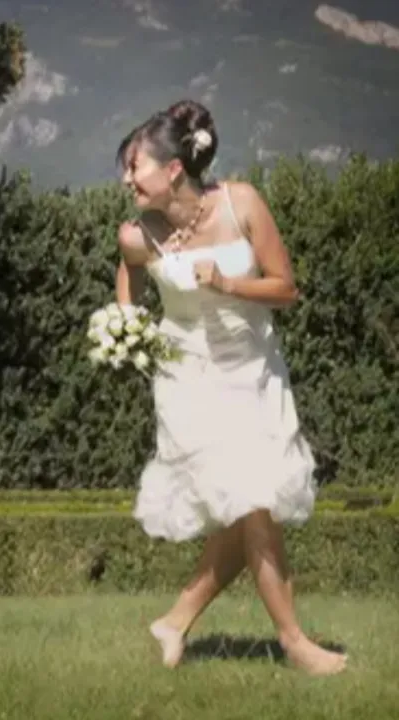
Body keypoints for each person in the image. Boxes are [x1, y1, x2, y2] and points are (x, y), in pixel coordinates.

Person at [113, 100, 347, 676]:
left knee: (247, 510)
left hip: (254, 372)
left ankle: (175, 622)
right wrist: (127, 326)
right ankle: (294, 642)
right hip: (189, 382)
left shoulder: (242, 203)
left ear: (173, 169)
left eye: (134, 166)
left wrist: (228, 283)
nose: (126, 179)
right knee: (253, 503)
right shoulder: (137, 235)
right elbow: (129, 276)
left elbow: (286, 288)